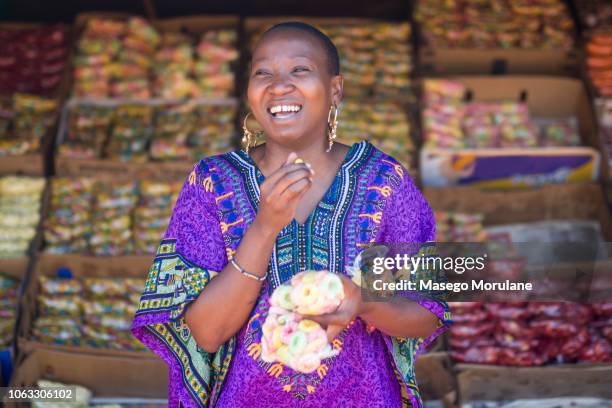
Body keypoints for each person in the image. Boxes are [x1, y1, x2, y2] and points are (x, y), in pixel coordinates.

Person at [131, 21, 450, 408]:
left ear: (335, 89)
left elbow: (427, 313)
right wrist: (264, 228)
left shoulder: (383, 181)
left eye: (300, 70)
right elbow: (205, 333)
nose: (278, 85)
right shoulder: (213, 182)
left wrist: (364, 302)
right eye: (262, 72)